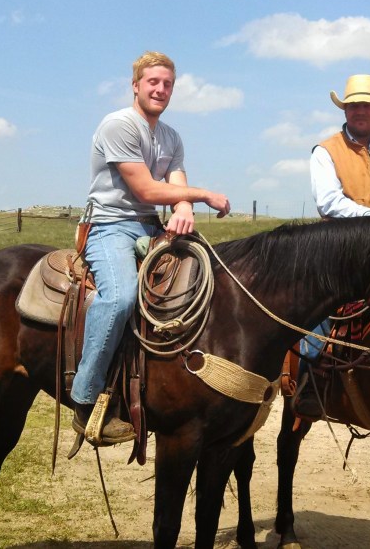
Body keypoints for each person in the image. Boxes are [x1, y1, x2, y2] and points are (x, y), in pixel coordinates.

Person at [72, 51, 231, 445]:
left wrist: (184, 208)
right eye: (153, 82)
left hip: (150, 227)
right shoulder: (118, 125)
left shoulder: (171, 137)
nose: (160, 89)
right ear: (136, 86)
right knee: (120, 297)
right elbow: (145, 189)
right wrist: (202, 196)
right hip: (109, 226)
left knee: (210, 278)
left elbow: (176, 185)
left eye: (167, 84)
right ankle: (85, 397)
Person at [296, 73, 370, 416]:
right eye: (353, 106)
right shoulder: (325, 151)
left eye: (366, 105)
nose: (360, 111)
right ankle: (308, 380)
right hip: (341, 250)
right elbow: (329, 202)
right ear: (345, 110)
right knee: (320, 309)